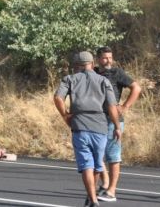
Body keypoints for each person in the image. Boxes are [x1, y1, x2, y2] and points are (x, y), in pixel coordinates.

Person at [53, 51, 121, 207]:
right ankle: (92, 198)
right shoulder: (103, 81)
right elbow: (112, 106)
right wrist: (117, 127)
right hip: (100, 128)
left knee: (86, 165)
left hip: (80, 127)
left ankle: (93, 199)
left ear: (76, 66)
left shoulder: (69, 79)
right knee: (97, 164)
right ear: (92, 64)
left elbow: (58, 97)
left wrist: (65, 115)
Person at [93, 46, 142, 202]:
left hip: (113, 121)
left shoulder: (117, 73)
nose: (108, 60)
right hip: (95, 120)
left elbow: (136, 88)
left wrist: (125, 106)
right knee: (95, 153)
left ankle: (111, 191)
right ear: (98, 59)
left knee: (113, 155)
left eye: (110, 57)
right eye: (105, 57)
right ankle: (105, 182)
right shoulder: (93, 73)